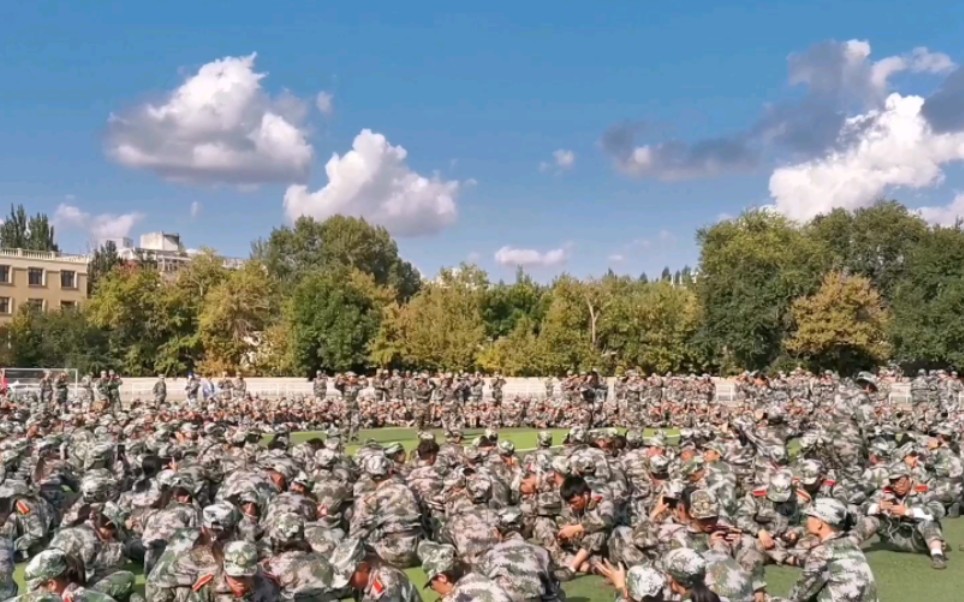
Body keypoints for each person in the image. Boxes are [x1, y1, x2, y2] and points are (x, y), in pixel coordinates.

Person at [776, 498, 878, 602]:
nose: (807, 519)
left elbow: (799, 596)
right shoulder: (850, 544)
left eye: (810, 516)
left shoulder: (822, 552)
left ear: (819, 523)